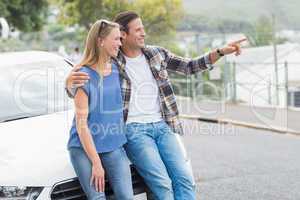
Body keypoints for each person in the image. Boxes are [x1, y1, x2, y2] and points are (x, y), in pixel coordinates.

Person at [66, 11, 246, 200]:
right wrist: (69, 82)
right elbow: (86, 78)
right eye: (138, 30)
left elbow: (190, 66)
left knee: (184, 177)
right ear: (123, 35)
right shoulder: (113, 60)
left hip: (162, 125)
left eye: (143, 29)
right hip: (134, 130)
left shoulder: (156, 54)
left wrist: (220, 52)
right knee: (162, 183)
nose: (143, 33)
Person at [67, 19, 134, 200]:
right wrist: (96, 163)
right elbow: (81, 125)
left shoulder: (117, 68)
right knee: (97, 198)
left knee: (126, 197)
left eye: (120, 39)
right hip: (83, 147)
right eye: (116, 39)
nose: (120, 44)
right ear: (100, 41)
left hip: (113, 143)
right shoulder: (82, 75)